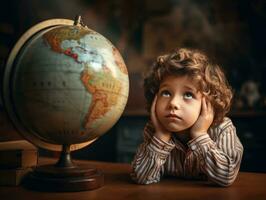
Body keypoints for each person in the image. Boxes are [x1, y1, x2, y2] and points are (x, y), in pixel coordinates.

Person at [131, 48, 243, 187]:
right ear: (155, 97)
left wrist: (200, 135)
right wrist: (160, 136)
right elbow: (141, 177)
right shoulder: (155, 130)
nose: (173, 103)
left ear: (209, 103)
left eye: (188, 95)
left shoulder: (222, 129)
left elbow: (226, 177)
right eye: (166, 93)